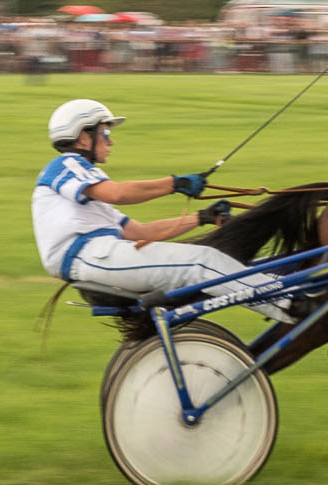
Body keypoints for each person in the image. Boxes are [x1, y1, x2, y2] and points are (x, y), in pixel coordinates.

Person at [32, 99, 290, 321]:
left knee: (202, 260)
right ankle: (288, 304)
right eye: (106, 133)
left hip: (97, 254)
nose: (111, 142)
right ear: (83, 137)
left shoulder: (87, 191)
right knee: (201, 262)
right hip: (87, 256)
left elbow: (140, 232)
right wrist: (175, 184)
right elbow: (118, 193)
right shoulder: (66, 165)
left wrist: (201, 218)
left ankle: (281, 297)